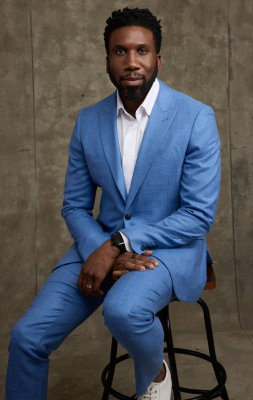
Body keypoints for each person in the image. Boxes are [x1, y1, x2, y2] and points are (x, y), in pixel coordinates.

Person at [5, 7, 221, 400]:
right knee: (26, 337)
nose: (132, 62)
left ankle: (156, 373)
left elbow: (197, 216)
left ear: (158, 58)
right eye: (120, 52)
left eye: (142, 50)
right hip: (98, 244)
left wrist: (118, 244)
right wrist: (101, 249)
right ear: (107, 59)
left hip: (168, 250)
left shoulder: (195, 117)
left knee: (123, 311)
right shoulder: (88, 120)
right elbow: (74, 206)